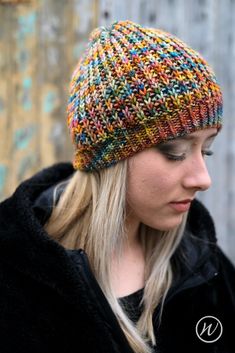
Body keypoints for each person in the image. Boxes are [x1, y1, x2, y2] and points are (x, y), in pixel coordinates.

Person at [0, 20, 234, 353]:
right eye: (176, 152)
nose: (203, 178)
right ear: (111, 158)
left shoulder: (199, 258)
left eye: (206, 149)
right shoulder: (15, 277)